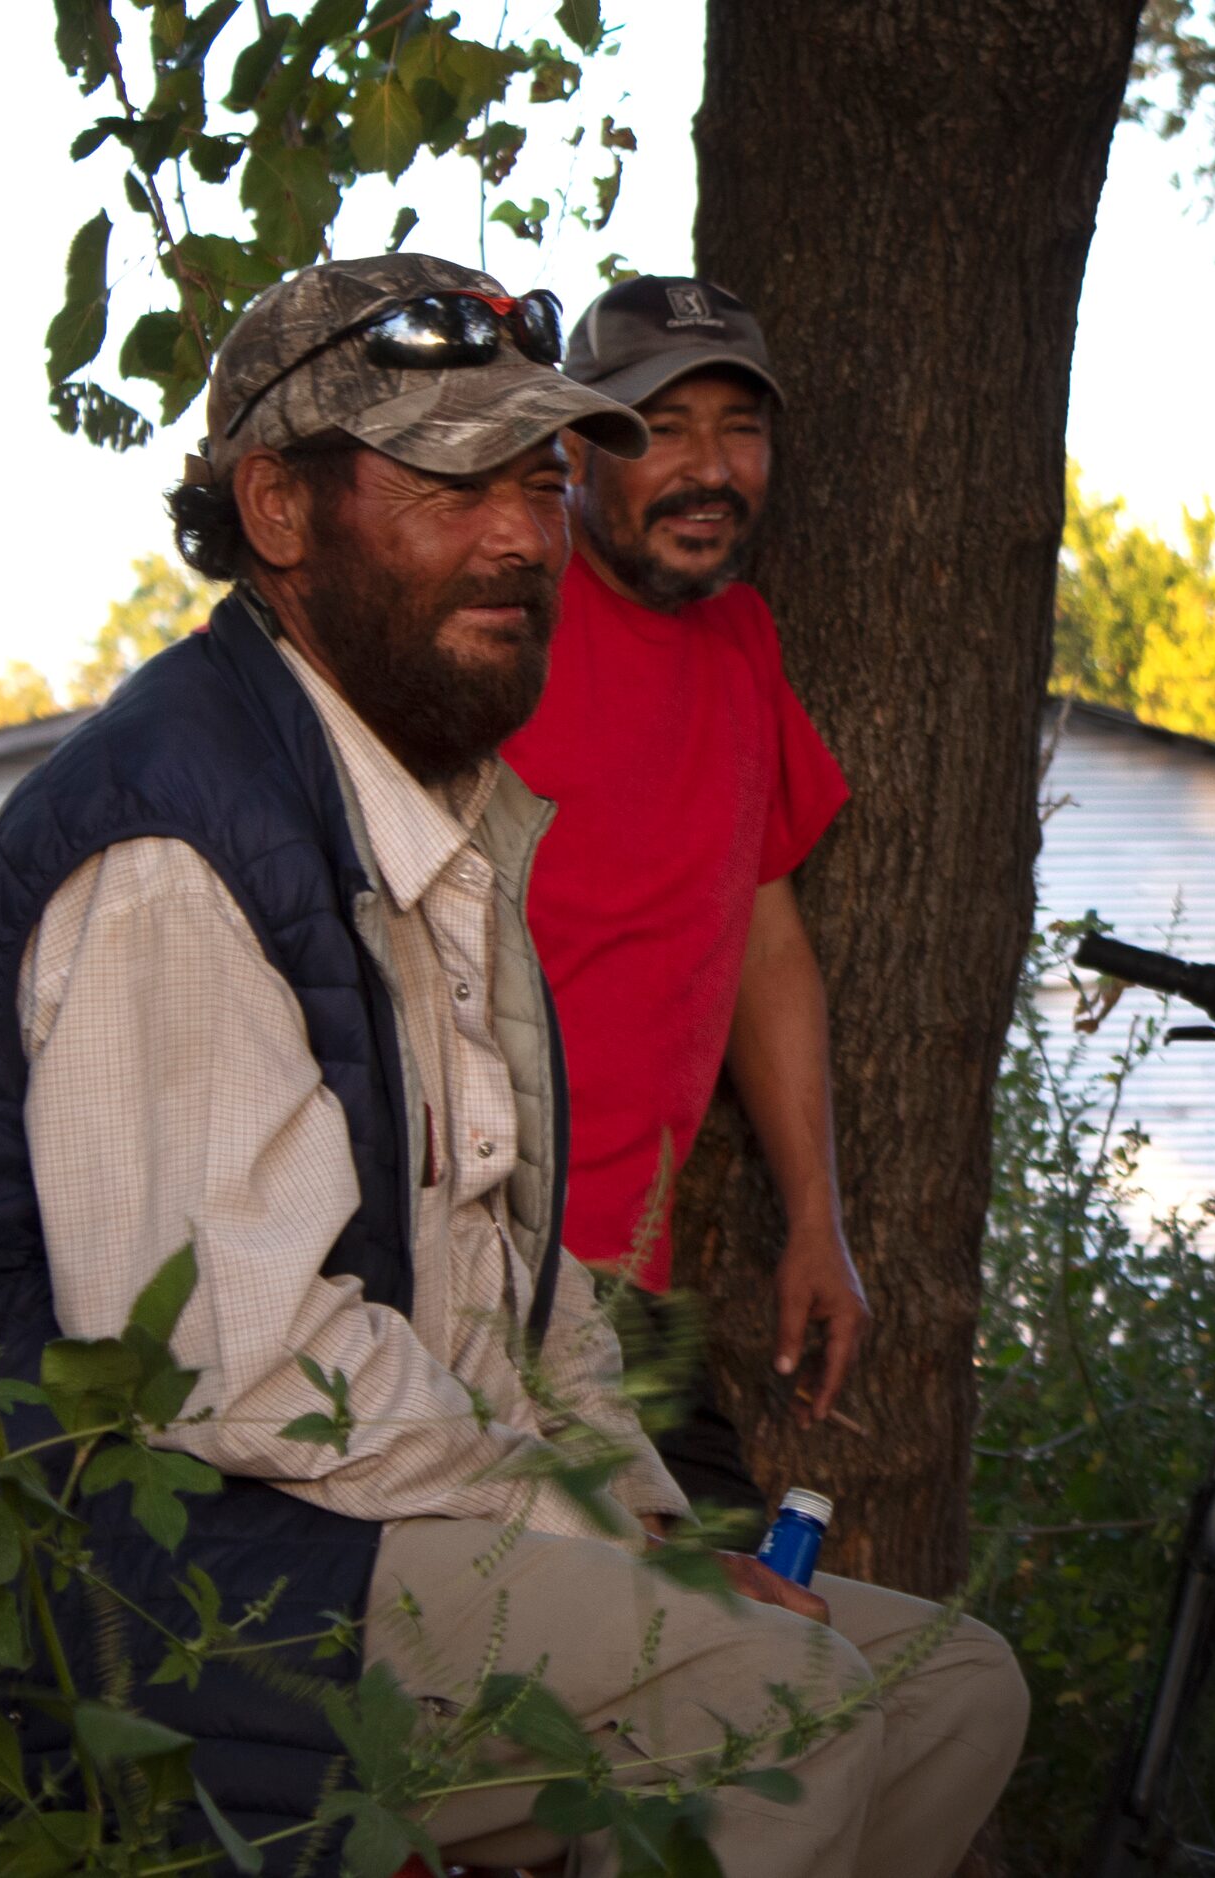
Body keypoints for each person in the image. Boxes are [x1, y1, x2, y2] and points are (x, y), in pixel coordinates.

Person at [0, 253, 1023, 1878]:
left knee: (945, 1686)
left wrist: (646, 1521)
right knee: (764, 1692)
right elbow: (256, 1373)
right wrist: (610, 1556)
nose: (519, 531)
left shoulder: (424, 823)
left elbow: (508, 1279)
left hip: (309, 1531)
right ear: (279, 513)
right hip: (89, 1604)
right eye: (449, 479)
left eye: (531, 472)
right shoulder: (176, 837)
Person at [501, 276, 863, 1518]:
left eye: (740, 428)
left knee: (745, 1643)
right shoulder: (507, 620)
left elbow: (763, 937)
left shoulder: (741, 641)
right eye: (661, 428)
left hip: (626, 1288)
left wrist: (819, 1220)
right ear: (573, 448)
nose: (710, 468)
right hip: (480, 1269)